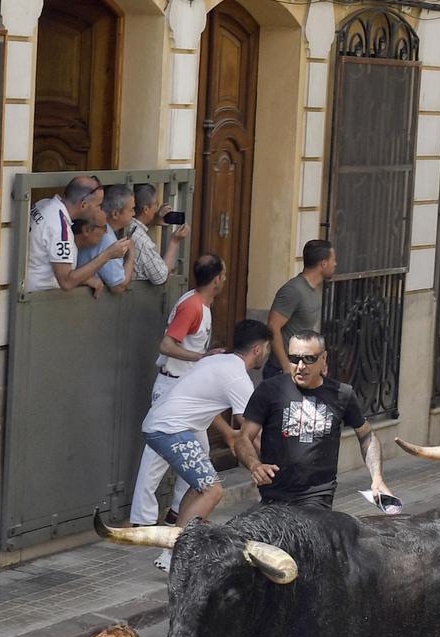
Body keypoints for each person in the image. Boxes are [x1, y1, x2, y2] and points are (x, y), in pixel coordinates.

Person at [136, 318, 273, 571]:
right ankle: (176, 555)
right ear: (258, 349)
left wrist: (227, 433)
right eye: (267, 349)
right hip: (169, 430)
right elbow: (252, 431)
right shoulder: (237, 377)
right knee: (212, 490)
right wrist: (276, 461)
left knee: (202, 486)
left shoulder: (216, 360)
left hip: (166, 426)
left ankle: (173, 549)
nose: (267, 353)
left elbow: (206, 405)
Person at [241, 328, 398, 512]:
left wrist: (377, 479)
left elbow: (366, 436)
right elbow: (243, 438)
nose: (300, 366)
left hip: (316, 497)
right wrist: (255, 465)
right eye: (294, 358)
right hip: (273, 495)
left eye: (309, 359)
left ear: (323, 358)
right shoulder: (269, 390)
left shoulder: (342, 394)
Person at [131, 254, 227, 524]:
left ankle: (179, 511)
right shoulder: (193, 306)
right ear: (217, 278)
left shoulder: (200, 303)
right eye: (224, 274)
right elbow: (167, 345)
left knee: (199, 451)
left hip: (184, 391)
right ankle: (144, 519)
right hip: (173, 389)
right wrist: (202, 359)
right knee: (156, 457)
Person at [24, 175, 128, 294]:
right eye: (98, 205)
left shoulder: (45, 204)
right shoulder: (60, 229)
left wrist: (84, 278)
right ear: (83, 204)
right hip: (39, 297)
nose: (100, 210)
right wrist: (107, 255)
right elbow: (66, 282)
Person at [266, 241, 336, 380]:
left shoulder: (314, 290)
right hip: (281, 371)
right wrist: (285, 365)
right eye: (333, 260)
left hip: (302, 369)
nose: (335, 264)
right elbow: (273, 327)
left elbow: (307, 330)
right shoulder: (294, 290)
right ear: (323, 264)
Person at [124, 182, 188, 288]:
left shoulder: (126, 224)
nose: (157, 208)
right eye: (156, 204)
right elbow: (161, 277)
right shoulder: (141, 240)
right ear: (146, 209)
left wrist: (153, 220)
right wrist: (174, 241)